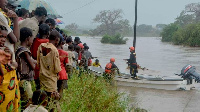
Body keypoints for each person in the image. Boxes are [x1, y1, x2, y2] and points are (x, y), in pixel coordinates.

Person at [37, 30, 61, 112]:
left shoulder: (41, 46)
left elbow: (38, 62)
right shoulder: (54, 50)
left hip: (42, 76)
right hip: (51, 79)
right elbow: (57, 68)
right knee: (52, 100)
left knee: (43, 98)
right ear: (57, 40)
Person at [0, 23, 20, 112]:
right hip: (3, 87)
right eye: (1, 36)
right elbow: (3, 71)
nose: (3, 39)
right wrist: (13, 65)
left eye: (5, 37)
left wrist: (11, 56)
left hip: (8, 86)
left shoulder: (4, 50)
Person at [15, 27, 36, 110]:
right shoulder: (25, 51)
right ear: (28, 38)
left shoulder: (19, 49)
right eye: (32, 39)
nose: (32, 41)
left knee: (24, 101)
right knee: (28, 102)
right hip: (25, 81)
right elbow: (32, 66)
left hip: (22, 80)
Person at [31, 24, 50, 90]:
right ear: (48, 33)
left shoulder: (35, 40)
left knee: (37, 86)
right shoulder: (47, 42)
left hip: (35, 65)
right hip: (44, 67)